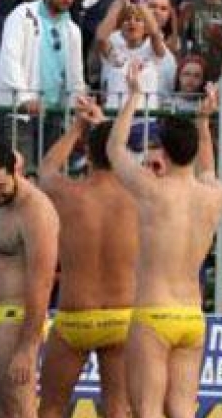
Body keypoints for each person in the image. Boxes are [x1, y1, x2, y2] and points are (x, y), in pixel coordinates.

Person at [106, 62, 222, 418]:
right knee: (183, 410)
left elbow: (114, 149)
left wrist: (134, 96)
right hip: (191, 314)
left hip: (154, 312)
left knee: (148, 410)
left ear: (165, 152)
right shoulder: (214, 194)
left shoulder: (152, 191)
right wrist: (204, 123)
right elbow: (208, 168)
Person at [36, 97, 139, 418]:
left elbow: (46, 170)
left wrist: (77, 128)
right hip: (122, 316)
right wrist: (106, 127)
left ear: (88, 155)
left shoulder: (69, 195)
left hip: (76, 314)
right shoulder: (139, 197)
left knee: (51, 408)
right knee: (118, 409)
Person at [0, 142, 59, 418]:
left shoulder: (36, 211)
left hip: (15, 317)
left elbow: (43, 282)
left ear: (15, 172)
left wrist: (27, 347)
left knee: (18, 408)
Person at [0, 0, 87, 165]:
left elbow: (76, 75)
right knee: (20, 171)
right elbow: (10, 58)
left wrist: (76, 106)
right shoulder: (22, 14)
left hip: (54, 113)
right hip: (18, 111)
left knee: (50, 174)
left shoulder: (73, 30)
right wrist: (25, 98)